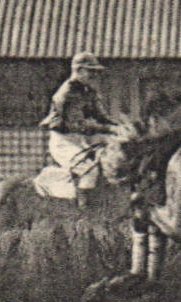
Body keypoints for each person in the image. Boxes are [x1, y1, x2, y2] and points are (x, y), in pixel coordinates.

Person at [39, 51, 121, 207]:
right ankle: (83, 210)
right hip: (63, 141)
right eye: (91, 72)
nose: (94, 76)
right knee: (89, 169)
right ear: (79, 70)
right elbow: (79, 125)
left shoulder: (89, 91)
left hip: (81, 139)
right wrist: (109, 129)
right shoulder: (67, 93)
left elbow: (101, 116)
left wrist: (120, 128)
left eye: (95, 73)